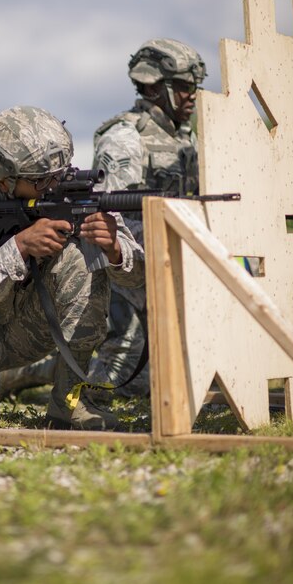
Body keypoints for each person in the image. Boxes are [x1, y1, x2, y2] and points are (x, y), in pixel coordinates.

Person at [0, 105, 145, 435]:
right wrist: (19, 248)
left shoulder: (71, 190)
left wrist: (115, 250)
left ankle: (69, 405)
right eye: (41, 180)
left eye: (59, 174)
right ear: (5, 180)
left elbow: (141, 278)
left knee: (80, 255)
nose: (55, 184)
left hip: (27, 328)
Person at [90, 38, 207, 393]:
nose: (192, 97)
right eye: (184, 88)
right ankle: (34, 370)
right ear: (155, 86)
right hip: (129, 272)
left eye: (194, 88)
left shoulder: (188, 140)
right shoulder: (126, 138)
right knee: (127, 381)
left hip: (174, 261)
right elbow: (110, 221)